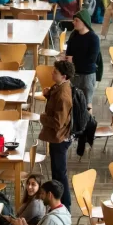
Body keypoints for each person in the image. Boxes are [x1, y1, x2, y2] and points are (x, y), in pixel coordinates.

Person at [40, 61, 74, 209]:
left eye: (55, 72)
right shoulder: (61, 87)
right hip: (57, 137)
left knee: (60, 173)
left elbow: (57, 122)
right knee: (57, 171)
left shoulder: (63, 95)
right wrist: (48, 95)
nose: (52, 73)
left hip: (60, 138)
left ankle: (64, 205)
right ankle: (59, 202)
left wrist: (41, 117)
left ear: (64, 76)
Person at [64, 9, 99, 105]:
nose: (73, 22)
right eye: (73, 20)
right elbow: (69, 52)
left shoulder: (93, 38)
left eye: (76, 21)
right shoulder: (73, 35)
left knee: (87, 104)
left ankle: (88, 120)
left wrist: (73, 59)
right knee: (73, 103)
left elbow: (92, 59)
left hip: (87, 75)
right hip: (74, 74)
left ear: (84, 23)